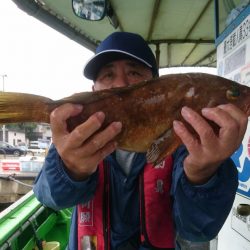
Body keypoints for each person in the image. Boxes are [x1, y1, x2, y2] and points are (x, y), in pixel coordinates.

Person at [33, 32, 248, 250]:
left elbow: (197, 230)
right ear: (93, 91)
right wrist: (70, 169)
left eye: (134, 72)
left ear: (158, 86)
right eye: (107, 75)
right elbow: (48, 198)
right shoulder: (75, 140)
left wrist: (204, 174)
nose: (120, 83)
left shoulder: (186, 143)